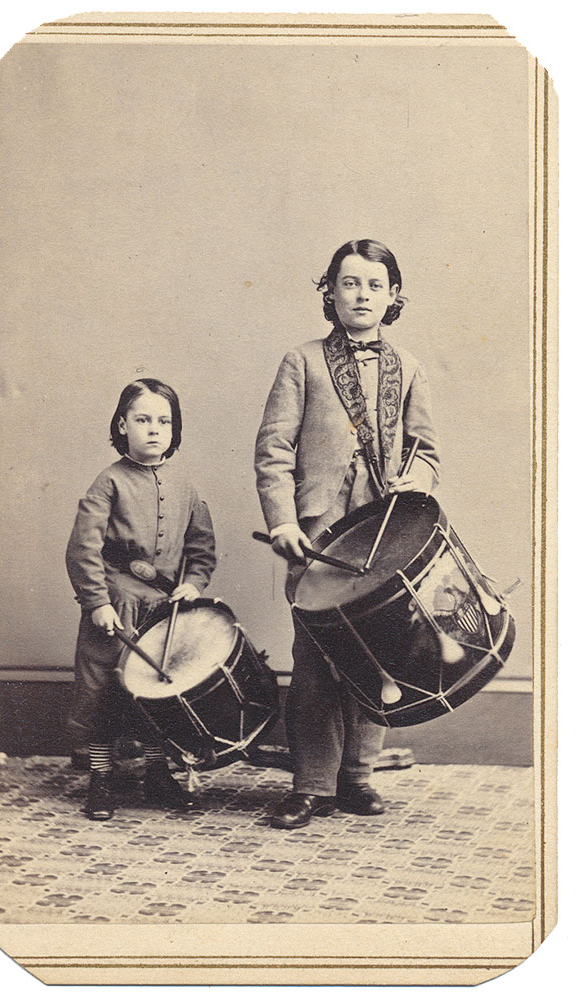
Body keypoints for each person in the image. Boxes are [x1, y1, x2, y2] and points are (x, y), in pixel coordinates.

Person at [255, 239, 440, 829]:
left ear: (393, 297)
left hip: (387, 535)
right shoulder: (302, 361)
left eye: (374, 285)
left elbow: (428, 452)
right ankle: (309, 785)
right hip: (319, 535)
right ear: (329, 293)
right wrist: (283, 520)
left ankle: (357, 778)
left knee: (380, 654)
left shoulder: (408, 367)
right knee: (314, 658)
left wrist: (419, 477)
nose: (362, 295)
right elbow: (274, 450)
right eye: (350, 283)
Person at [66, 378, 216, 820]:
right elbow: (82, 548)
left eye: (164, 421)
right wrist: (97, 602)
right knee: (105, 692)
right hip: (116, 607)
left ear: (175, 428)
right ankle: (101, 778)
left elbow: (202, 548)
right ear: (122, 424)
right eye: (143, 419)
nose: (154, 429)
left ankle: (157, 774)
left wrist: (194, 583)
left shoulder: (186, 485)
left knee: (157, 692)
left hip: (162, 611)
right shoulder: (108, 481)